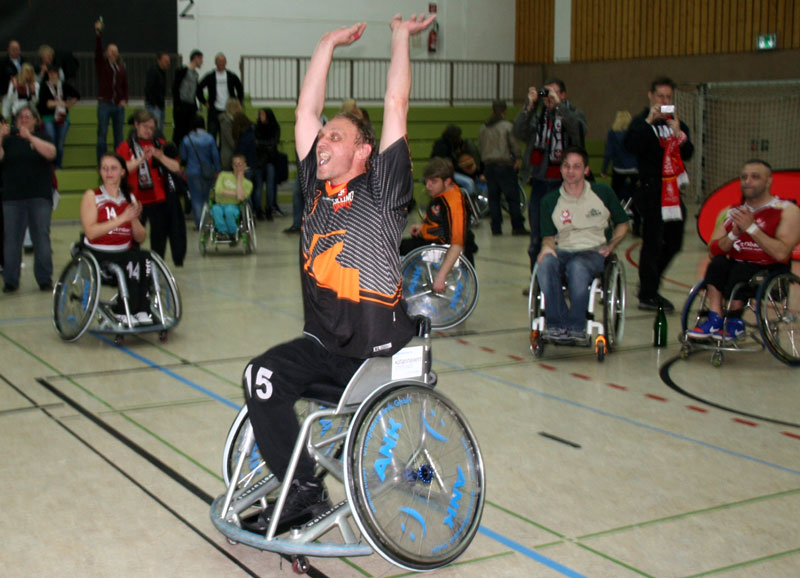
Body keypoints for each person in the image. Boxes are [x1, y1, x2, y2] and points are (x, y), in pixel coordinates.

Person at [242, 13, 436, 534]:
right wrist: (325, 44)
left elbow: (396, 105)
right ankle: (303, 491)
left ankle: (301, 493)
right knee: (260, 376)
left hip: (374, 359)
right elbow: (305, 109)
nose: (322, 140)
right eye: (321, 136)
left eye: (336, 135)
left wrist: (399, 38)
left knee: (277, 378)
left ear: (363, 151)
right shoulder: (314, 193)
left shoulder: (383, 190)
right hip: (324, 347)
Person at [688, 159, 800, 340]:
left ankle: (734, 321)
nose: (748, 181)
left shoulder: (787, 210)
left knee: (740, 269)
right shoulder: (732, 211)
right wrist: (733, 234)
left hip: (769, 269)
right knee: (717, 264)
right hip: (736, 264)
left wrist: (752, 228)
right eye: (744, 177)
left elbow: (781, 253)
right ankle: (715, 317)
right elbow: (713, 249)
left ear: (769, 181)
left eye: (755, 177)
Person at [536, 147, 629, 343]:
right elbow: (548, 236)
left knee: (577, 267)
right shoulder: (549, 201)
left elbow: (623, 223)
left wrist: (612, 245)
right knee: (544, 265)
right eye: (567, 166)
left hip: (593, 251)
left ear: (586, 170)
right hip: (563, 249)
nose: (571, 171)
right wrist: (546, 246)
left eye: (577, 166)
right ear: (561, 169)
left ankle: (577, 326)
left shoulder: (603, 192)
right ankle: (557, 325)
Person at [625, 76, 694, 311]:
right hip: (651, 189)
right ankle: (648, 293)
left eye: (668, 97)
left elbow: (689, 153)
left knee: (674, 242)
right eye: (660, 96)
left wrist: (680, 136)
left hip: (672, 191)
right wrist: (648, 122)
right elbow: (630, 146)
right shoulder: (641, 122)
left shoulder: (676, 123)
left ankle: (649, 283)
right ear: (651, 96)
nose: (664, 100)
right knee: (652, 242)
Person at [514, 78, 587, 269]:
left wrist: (560, 107)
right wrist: (528, 107)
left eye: (553, 93)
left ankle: (561, 277)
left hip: (564, 185)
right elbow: (518, 132)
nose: (549, 98)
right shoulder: (538, 117)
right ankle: (536, 280)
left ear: (563, 95)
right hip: (539, 181)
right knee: (536, 236)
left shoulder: (574, 114)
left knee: (563, 235)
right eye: (545, 93)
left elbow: (577, 132)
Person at [81, 153, 153, 324]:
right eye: (104, 168)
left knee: (145, 258)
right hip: (98, 253)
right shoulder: (92, 196)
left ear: (122, 172)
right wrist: (121, 219)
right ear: (100, 172)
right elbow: (90, 232)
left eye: (113, 168)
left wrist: (133, 218)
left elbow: (141, 237)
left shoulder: (129, 198)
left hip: (124, 252)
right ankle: (123, 310)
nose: (108, 172)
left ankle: (142, 308)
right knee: (131, 259)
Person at [0, 105, 57, 293]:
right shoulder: (7, 142)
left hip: (39, 197)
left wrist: (30, 138)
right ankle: (10, 280)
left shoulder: (43, 137)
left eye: (28, 116)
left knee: (41, 237)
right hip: (11, 198)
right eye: (20, 117)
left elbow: (51, 153)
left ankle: (44, 279)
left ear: (35, 120)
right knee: (11, 241)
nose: (24, 119)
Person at [400, 158, 476, 289]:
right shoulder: (442, 194)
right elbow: (441, 223)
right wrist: (423, 228)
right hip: (430, 241)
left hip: (439, 250)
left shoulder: (454, 205)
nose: (428, 185)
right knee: (390, 246)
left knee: (390, 251)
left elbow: (457, 246)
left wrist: (441, 277)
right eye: (427, 181)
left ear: (447, 181)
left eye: (434, 181)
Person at [116, 109, 181, 256]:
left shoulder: (161, 144)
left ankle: (155, 271)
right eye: (145, 127)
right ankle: (134, 269)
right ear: (136, 125)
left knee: (159, 240)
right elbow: (120, 169)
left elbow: (176, 168)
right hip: (135, 200)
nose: (149, 131)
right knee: (134, 239)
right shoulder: (126, 146)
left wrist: (161, 157)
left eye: (152, 128)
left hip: (159, 199)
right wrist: (141, 159)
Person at [478, 100, 526, 236]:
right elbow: (514, 144)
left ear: (493, 110)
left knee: (493, 198)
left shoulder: (483, 128)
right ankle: (517, 226)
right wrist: (517, 157)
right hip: (504, 166)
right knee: (512, 197)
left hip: (489, 166)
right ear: (505, 111)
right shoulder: (507, 126)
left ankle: (496, 227)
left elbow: (480, 147)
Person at [94, 19, 128, 163]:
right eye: (111, 51)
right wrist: (98, 35)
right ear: (107, 53)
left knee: (119, 136)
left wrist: (125, 99)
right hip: (105, 103)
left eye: (116, 52)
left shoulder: (121, 68)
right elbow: (97, 51)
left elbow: (126, 85)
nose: (114, 54)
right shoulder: (102, 66)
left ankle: (118, 161)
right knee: (102, 134)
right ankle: (101, 161)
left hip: (118, 106)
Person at [601, 110, 639, 233]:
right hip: (633, 169)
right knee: (635, 197)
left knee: (615, 198)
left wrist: (604, 169)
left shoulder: (613, 133)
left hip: (618, 169)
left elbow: (609, 152)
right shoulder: (634, 134)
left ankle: (614, 223)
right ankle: (637, 225)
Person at [180, 115, 221, 228]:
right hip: (207, 172)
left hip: (192, 172)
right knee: (207, 197)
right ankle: (209, 221)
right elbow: (215, 155)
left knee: (196, 197)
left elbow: (183, 157)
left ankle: (199, 224)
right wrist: (218, 170)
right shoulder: (210, 138)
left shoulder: (187, 139)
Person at [37, 67, 80, 169]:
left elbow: (77, 95)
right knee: (51, 139)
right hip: (48, 116)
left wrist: (69, 103)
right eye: (50, 73)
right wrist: (61, 103)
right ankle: (50, 165)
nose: (53, 75)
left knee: (60, 143)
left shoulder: (63, 85)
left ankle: (58, 165)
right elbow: (45, 103)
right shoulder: (44, 86)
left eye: (54, 73)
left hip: (61, 116)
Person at [196, 53, 244, 144]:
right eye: (219, 61)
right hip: (214, 110)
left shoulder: (231, 76)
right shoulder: (210, 76)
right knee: (212, 135)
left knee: (226, 136)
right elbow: (198, 88)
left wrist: (238, 103)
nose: (221, 63)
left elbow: (240, 89)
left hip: (229, 111)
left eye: (223, 61)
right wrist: (204, 102)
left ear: (226, 62)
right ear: (215, 63)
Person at [431, 124, 481, 197]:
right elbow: (447, 163)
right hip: (444, 172)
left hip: (449, 171)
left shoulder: (451, 145)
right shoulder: (443, 147)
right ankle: (469, 203)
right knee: (469, 182)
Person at [211, 154, 252, 238]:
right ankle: (222, 232)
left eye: (240, 164)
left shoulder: (248, 184)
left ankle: (232, 232)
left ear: (245, 165)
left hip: (234, 206)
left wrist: (239, 180)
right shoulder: (223, 175)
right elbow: (218, 190)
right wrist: (237, 193)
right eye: (235, 165)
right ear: (232, 166)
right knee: (215, 210)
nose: (237, 167)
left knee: (229, 211)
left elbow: (241, 198)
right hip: (219, 203)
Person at [172, 49, 203, 149]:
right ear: (196, 58)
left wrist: (203, 102)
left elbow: (197, 91)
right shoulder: (182, 71)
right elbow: (175, 87)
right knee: (179, 130)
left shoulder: (196, 74)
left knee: (189, 130)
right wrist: (177, 105)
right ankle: (175, 152)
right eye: (201, 59)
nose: (202, 62)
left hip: (191, 106)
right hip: (181, 105)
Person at [254, 107, 281, 220]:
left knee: (269, 186)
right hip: (261, 161)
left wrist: (261, 144)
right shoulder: (257, 127)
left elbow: (273, 142)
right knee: (259, 187)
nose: (261, 117)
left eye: (263, 114)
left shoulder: (273, 127)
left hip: (268, 160)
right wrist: (266, 145)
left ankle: (269, 209)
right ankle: (259, 210)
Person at [145, 52, 171, 132]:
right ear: (159, 60)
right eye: (165, 61)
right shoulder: (153, 71)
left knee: (159, 129)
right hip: (154, 107)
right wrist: (154, 104)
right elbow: (148, 88)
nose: (168, 63)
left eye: (168, 61)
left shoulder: (162, 72)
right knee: (155, 130)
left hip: (160, 106)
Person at [219, 98, 242, 171]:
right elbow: (231, 140)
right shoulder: (226, 122)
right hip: (228, 158)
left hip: (233, 156)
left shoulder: (235, 120)